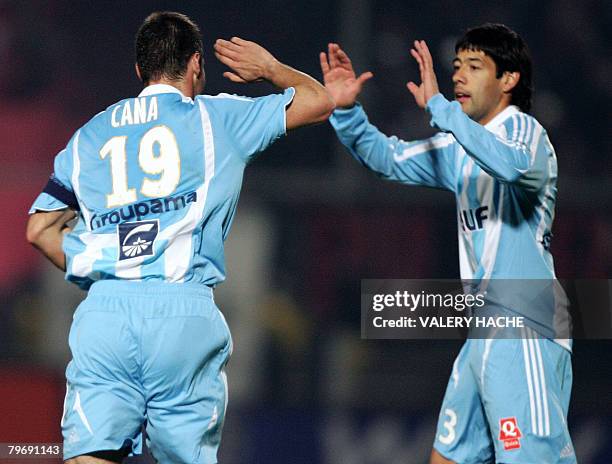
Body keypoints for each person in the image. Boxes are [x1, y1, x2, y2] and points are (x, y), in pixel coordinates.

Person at [26, 11, 334, 464]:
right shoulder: (218, 117)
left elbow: (39, 229)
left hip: (105, 314)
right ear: (196, 65)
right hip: (182, 312)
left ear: (139, 70)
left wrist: (92, 267)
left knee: (90, 456)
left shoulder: (89, 134)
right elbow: (319, 101)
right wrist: (270, 68)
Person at [320, 23, 575, 463]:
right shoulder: (460, 147)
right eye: (456, 66)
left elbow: (509, 165)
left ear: (509, 79)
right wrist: (346, 112)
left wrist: (443, 111)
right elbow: (388, 159)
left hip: (524, 324)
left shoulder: (526, 133)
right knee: (448, 458)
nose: (458, 76)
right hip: (483, 330)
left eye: (475, 67)